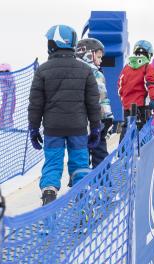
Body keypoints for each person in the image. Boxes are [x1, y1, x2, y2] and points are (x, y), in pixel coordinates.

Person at [28, 24, 101, 206]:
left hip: (53, 129)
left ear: (54, 43)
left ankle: (49, 195)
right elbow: (93, 103)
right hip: (77, 128)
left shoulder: (42, 71)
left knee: (53, 163)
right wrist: (96, 128)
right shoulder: (85, 70)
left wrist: (33, 128)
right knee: (79, 163)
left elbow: (36, 104)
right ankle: (82, 202)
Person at [76, 38, 114, 168]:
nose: (101, 60)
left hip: (78, 121)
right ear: (88, 55)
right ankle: (102, 178)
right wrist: (107, 117)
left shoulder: (74, 71)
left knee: (81, 153)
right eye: (99, 57)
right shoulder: (94, 73)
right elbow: (101, 97)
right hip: (95, 120)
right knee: (99, 149)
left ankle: (79, 180)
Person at [118, 40, 154, 142]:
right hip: (142, 106)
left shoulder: (126, 68)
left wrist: (124, 99)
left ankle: (122, 153)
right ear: (149, 54)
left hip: (128, 106)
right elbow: (151, 83)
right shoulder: (147, 67)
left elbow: (120, 85)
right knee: (143, 130)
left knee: (127, 128)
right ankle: (144, 151)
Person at [0, 63, 16, 130]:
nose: (0, 73)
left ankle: (9, 126)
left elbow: (10, 84)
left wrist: (2, 77)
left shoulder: (9, 76)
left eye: (1, 72)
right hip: (5, 95)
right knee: (2, 111)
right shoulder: (2, 76)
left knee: (8, 111)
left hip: (10, 96)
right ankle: (2, 125)